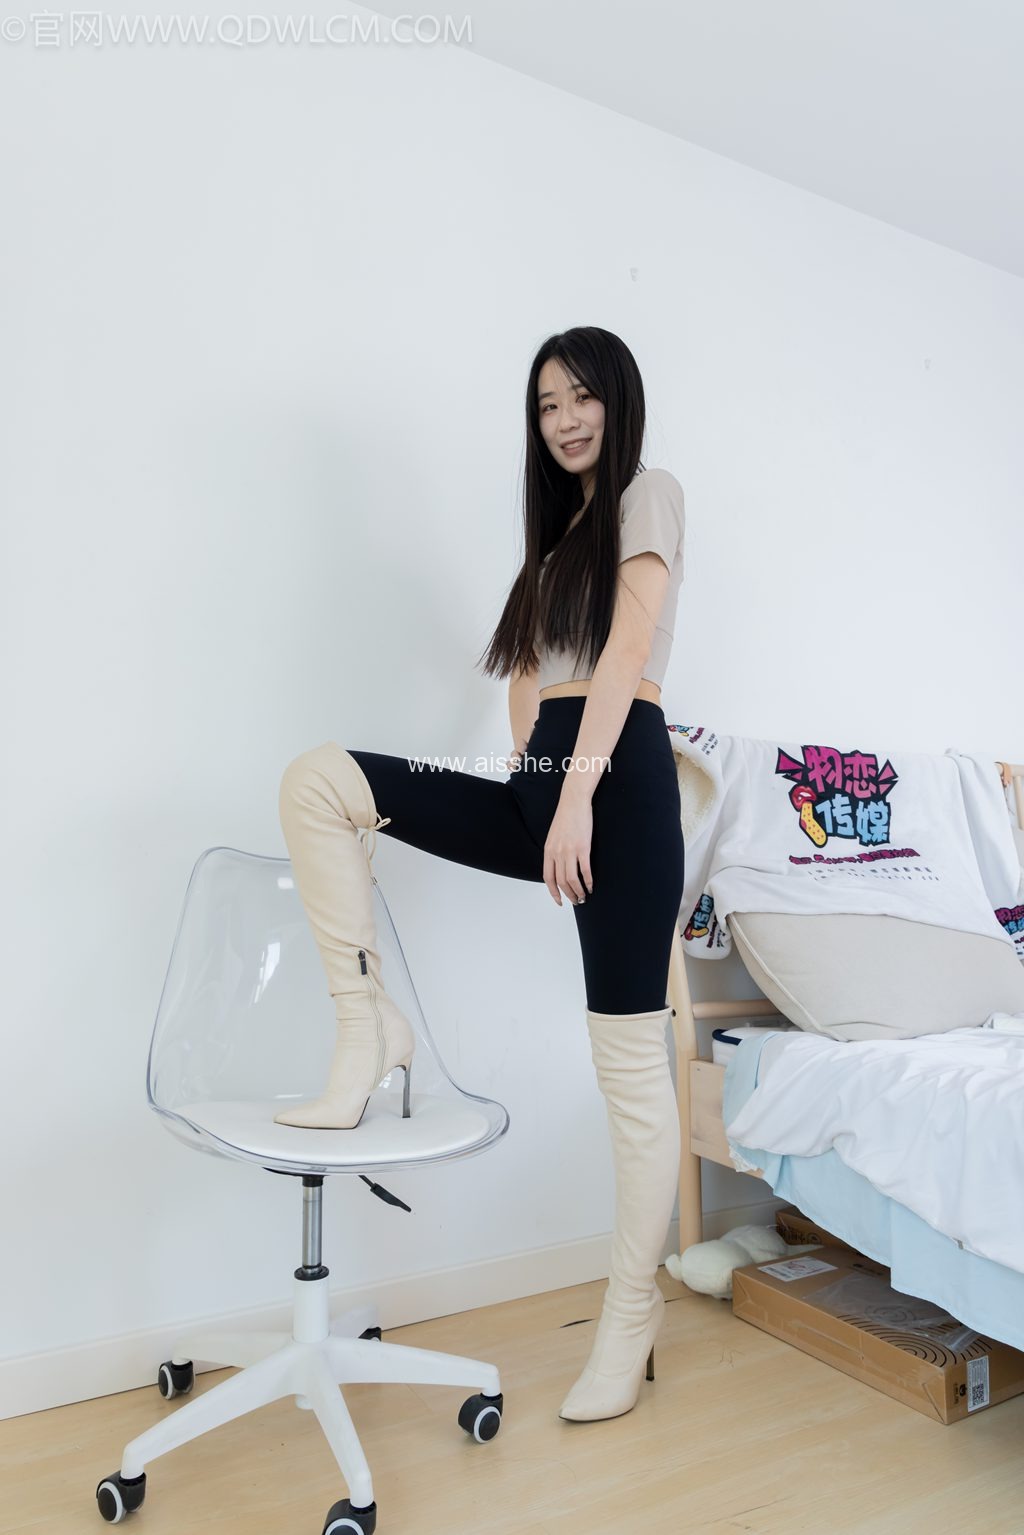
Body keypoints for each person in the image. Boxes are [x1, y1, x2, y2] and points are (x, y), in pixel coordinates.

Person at [275, 326, 687, 1423]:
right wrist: (530, 781)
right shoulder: (551, 555)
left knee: (627, 1070)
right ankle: (369, 1030)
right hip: (550, 784)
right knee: (322, 781)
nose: (564, 419)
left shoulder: (649, 496)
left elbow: (623, 656)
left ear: (617, 400)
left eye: (581, 396)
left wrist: (578, 796)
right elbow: (528, 682)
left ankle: (631, 1309)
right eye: (547, 404)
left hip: (621, 789)